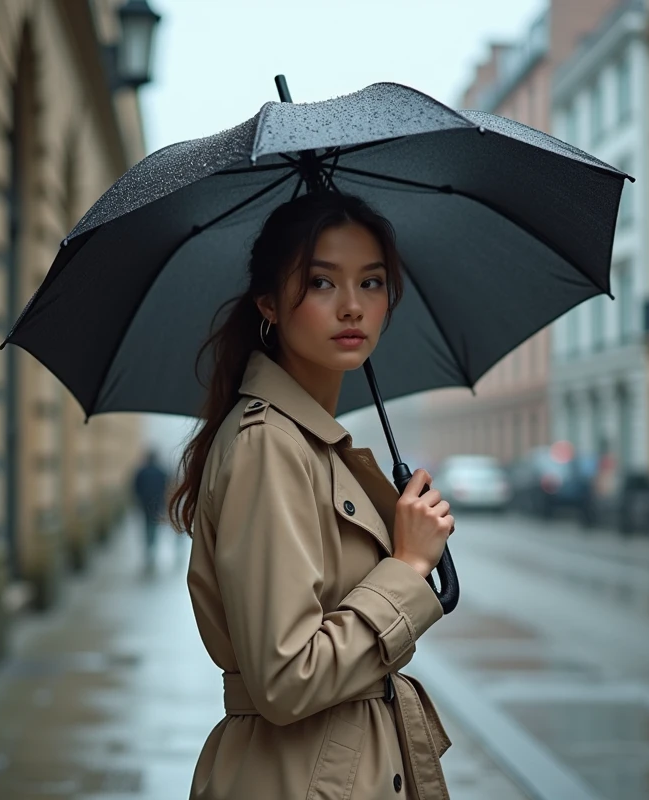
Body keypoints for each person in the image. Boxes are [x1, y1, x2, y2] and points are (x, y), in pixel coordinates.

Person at [168, 192, 455, 799]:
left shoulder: (311, 443)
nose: (353, 307)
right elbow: (286, 679)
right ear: (269, 304)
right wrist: (406, 567)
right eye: (321, 283)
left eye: (372, 283)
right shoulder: (268, 445)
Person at [132, 449, 169, 573]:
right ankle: (152, 544)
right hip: (157, 504)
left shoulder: (141, 472)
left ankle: (149, 544)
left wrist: (138, 500)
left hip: (144, 503)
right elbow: (167, 488)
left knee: (147, 524)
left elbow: (135, 487)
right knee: (154, 524)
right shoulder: (161, 472)